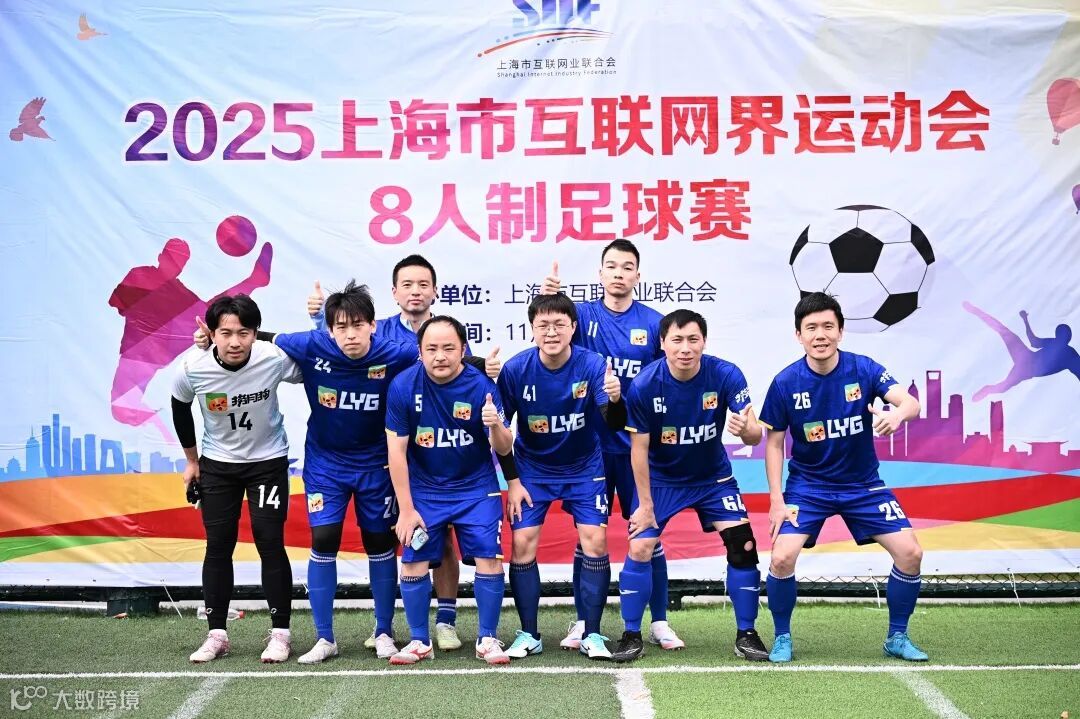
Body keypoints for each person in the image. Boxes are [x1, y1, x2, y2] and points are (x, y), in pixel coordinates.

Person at [309, 255, 500, 651]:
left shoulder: (447, 334)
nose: (415, 292)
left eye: (423, 284)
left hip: (451, 462)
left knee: (445, 542)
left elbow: (458, 368)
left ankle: (445, 620)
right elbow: (329, 344)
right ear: (394, 293)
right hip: (401, 458)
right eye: (407, 285)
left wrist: (488, 367)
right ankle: (391, 629)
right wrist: (315, 319)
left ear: (435, 291)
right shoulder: (377, 332)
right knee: (410, 543)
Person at [759, 292, 926, 663]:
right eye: (811, 328)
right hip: (808, 488)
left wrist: (896, 415)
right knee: (782, 558)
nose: (820, 335)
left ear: (841, 331)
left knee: (911, 553)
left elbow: (910, 403)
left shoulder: (864, 369)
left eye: (828, 326)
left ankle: (897, 636)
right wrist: (776, 499)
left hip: (863, 486)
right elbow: (774, 443)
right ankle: (782, 637)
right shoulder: (785, 382)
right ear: (799, 335)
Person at [540, 239, 682, 652]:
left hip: (639, 448)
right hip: (590, 450)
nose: (619, 273)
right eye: (612, 266)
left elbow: (668, 380)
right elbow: (549, 329)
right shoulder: (580, 316)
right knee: (588, 537)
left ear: (638, 275)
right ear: (599, 273)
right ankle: (584, 622)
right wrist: (548, 297)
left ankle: (659, 621)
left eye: (627, 267)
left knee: (648, 534)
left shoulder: (655, 323)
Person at [610, 309, 770, 663]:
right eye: (677, 340)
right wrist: (645, 506)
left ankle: (747, 633)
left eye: (693, 339)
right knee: (640, 546)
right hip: (661, 480)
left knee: (743, 544)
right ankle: (631, 634)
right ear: (663, 343)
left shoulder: (726, 374)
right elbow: (638, 450)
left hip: (712, 479)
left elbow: (755, 434)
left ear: (704, 342)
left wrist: (747, 430)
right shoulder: (645, 385)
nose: (685, 348)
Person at [171, 294, 301, 663]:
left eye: (244, 333)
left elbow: (313, 366)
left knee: (269, 542)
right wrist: (192, 461)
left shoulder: (272, 358)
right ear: (211, 334)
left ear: (255, 333)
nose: (234, 342)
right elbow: (179, 406)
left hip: (267, 462)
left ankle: (280, 634)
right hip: (218, 465)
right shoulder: (192, 366)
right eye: (225, 333)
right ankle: (216, 634)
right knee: (218, 545)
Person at [497, 294, 625, 662]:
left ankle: (592, 633)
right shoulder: (516, 369)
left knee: (595, 541)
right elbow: (500, 434)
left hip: (585, 468)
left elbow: (614, 422)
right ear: (532, 329)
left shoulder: (593, 364)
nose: (551, 332)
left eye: (559, 325)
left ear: (573, 328)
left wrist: (616, 400)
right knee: (523, 543)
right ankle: (529, 634)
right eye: (543, 325)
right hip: (532, 470)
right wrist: (513, 482)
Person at [385, 316, 515, 665]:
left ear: (462, 350)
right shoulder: (402, 386)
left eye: (448, 348)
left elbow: (504, 447)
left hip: (476, 488)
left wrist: (495, 424)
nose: (439, 356)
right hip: (425, 490)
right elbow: (396, 452)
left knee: (489, 558)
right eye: (431, 349)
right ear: (420, 351)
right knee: (413, 562)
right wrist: (406, 509)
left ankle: (487, 638)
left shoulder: (482, 386)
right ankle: (418, 640)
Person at [962, 302, 1079, 401]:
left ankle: (988, 390)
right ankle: (976, 311)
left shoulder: (1070, 354)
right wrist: (1025, 320)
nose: (1059, 338)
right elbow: (1033, 341)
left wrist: (1025, 320)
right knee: (1004, 331)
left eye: (1062, 335)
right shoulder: (1053, 342)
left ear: (1067, 338)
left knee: (1003, 387)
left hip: (1026, 370)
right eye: (1058, 334)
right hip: (1026, 357)